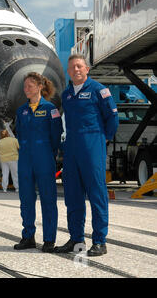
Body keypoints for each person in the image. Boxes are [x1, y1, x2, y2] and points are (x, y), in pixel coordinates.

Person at [55, 54, 118, 256]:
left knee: (97, 195)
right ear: (68, 71)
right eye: (72, 67)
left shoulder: (99, 90)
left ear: (87, 69)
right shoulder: (67, 95)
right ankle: (76, 239)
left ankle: (100, 241)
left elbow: (113, 118)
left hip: (92, 147)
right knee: (72, 196)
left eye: (80, 66)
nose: (76, 70)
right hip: (72, 148)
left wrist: (103, 139)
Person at [13, 72, 63, 253]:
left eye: (30, 86)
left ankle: (49, 239)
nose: (26, 89)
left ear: (40, 86)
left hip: (44, 159)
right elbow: (19, 133)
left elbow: (56, 136)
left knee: (48, 199)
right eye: (25, 86)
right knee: (26, 199)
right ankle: (28, 236)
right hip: (25, 159)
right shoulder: (21, 111)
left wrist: (49, 155)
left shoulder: (51, 109)